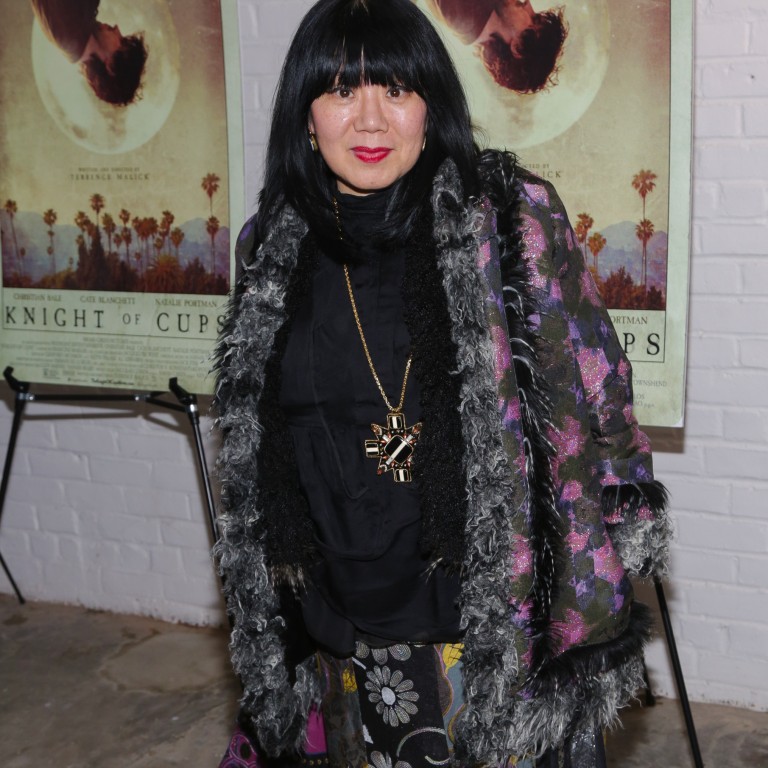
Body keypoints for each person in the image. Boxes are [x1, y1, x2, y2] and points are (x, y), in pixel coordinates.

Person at [213, 0, 670, 766]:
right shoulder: (270, 248)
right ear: (304, 113)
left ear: (433, 104)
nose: (369, 120)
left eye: (396, 89)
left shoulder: (509, 222)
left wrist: (618, 539)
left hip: (483, 626)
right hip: (335, 626)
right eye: (339, 91)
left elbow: (599, 390)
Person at [424, 0, 567, 93]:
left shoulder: (464, 9)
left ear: (517, 47)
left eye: (533, 19)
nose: (528, 5)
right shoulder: (470, 24)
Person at [29, 0, 148, 106]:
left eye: (122, 41)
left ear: (111, 66)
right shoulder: (78, 29)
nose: (117, 29)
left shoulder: (68, 30)